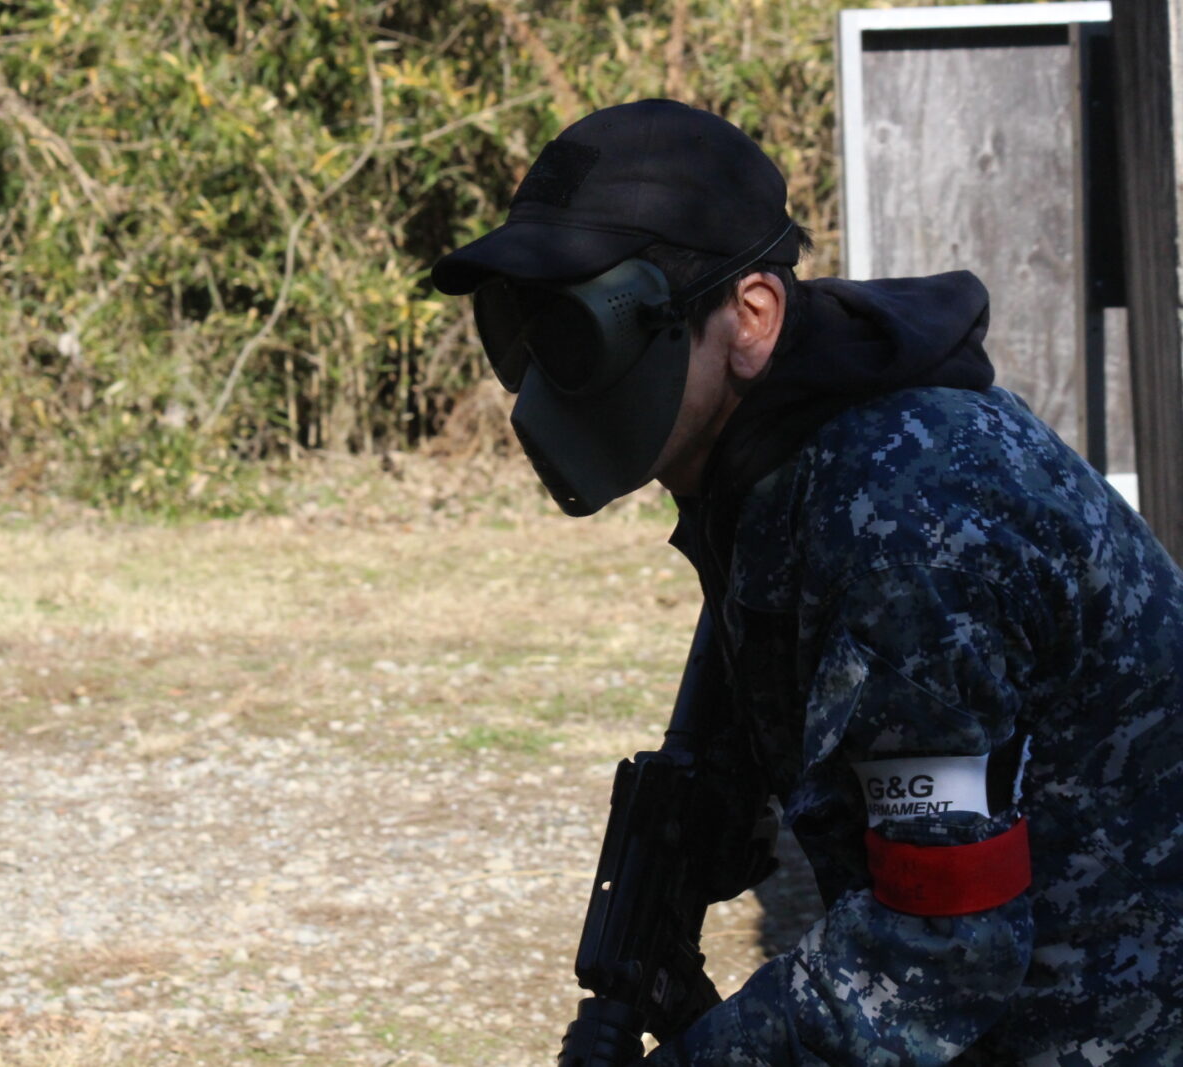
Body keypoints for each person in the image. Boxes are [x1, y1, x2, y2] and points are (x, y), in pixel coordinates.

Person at [430, 98, 1183, 1065]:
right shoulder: (763, 458)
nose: (548, 373)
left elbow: (937, 950)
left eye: (583, 327)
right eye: (521, 327)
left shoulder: (908, 509)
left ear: (752, 316)